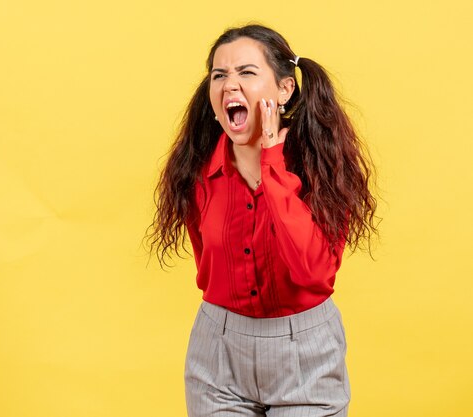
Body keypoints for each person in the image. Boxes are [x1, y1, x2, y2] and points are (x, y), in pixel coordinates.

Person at [145, 24, 378, 417]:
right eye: (219, 75)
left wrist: (272, 161)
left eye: (247, 73)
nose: (229, 85)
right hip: (218, 355)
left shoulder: (322, 170)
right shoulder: (196, 172)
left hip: (305, 357)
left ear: (285, 90)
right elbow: (207, 270)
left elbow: (313, 272)